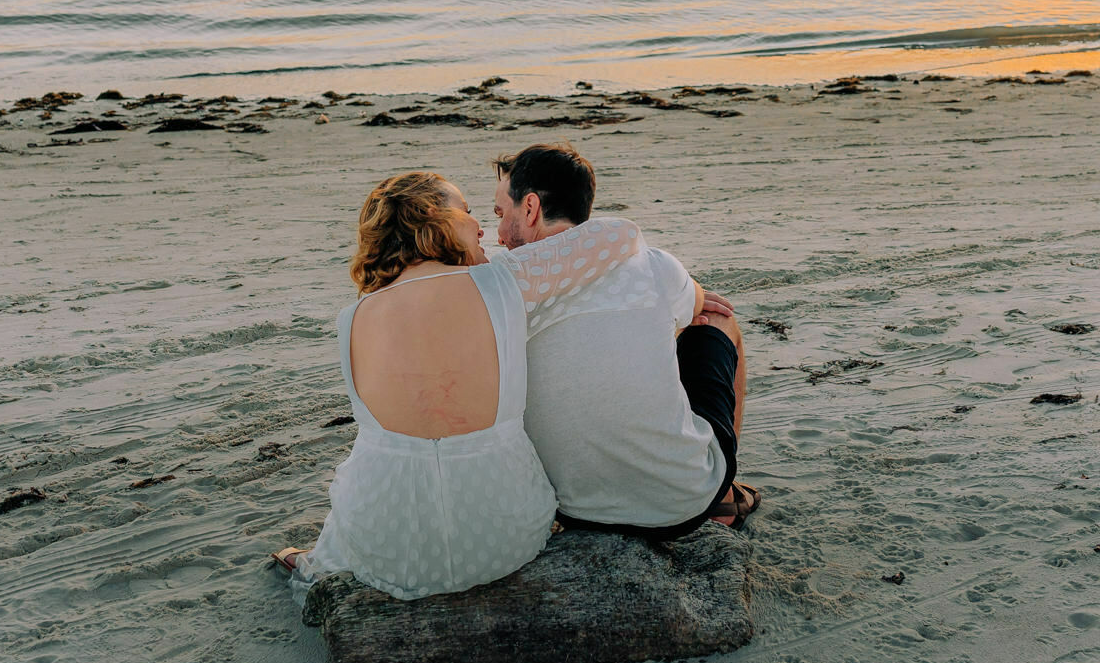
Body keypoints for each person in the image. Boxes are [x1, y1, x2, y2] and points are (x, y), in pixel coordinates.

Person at [275, 170, 645, 601]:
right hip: (504, 539)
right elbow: (621, 235)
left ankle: (320, 559)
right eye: (467, 212)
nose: (481, 226)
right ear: (434, 218)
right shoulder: (505, 280)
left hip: (388, 550)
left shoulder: (352, 319)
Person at [493, 143, 757, 539]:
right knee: (719, 320)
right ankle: (722, 498)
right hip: (682, 504)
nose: (497, 234)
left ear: (530, 208)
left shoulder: (499, 290)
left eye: (501, 213)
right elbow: (703, 304)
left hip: (573, 508)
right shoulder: (650, 262)